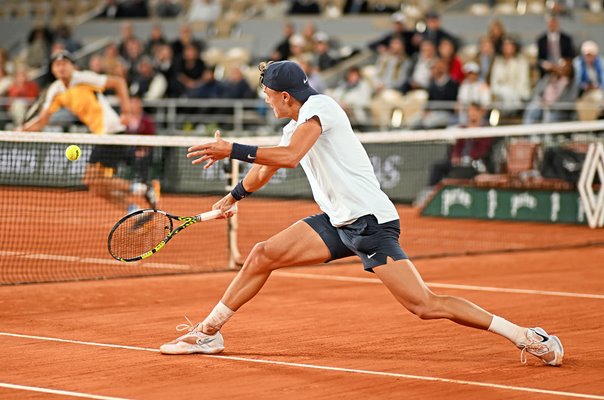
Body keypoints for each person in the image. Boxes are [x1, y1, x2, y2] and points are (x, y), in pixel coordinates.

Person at [159, 60, 564, 368]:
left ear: (285, 96)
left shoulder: (321, 108)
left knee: (424, 305)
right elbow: (266, 167)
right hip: (337, 221)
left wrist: (232, 149)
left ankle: (525, 335)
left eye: (266, 92)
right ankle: (207, 333)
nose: (264, 99)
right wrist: (233, 196)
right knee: (263, 254)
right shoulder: (295, 121)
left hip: (370, 223)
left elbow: (289, 157)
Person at [18, 50, 159, 213]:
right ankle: (135, 212)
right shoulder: (55, 90)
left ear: (73, 66)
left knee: (90, 179)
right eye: (57, 65)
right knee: (96, 187)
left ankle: (143, 188)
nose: (61, 68)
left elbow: (119, 82)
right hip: (101, 136)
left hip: (111, 131)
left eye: (64, 64)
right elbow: (42, 120)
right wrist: (20, 131)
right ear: (52, 69)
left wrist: (126, 112)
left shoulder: (83, 78)